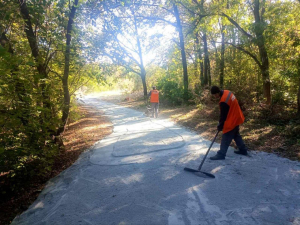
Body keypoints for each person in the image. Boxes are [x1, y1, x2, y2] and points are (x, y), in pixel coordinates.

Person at [210, 86, 248, 160]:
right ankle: (243, 150)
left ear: (217, 93)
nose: (214, 97)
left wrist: (220, 125)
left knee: (226, 137)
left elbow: (223, 116)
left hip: (232, 120)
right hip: (237, 116)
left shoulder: (223, 101)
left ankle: (221, 154)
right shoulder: (227, 92)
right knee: (236, 134)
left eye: (215, 95)